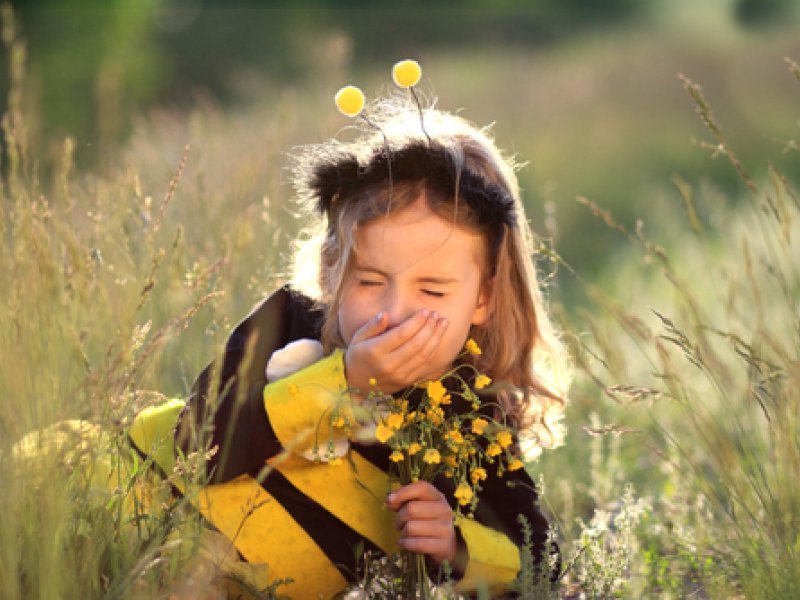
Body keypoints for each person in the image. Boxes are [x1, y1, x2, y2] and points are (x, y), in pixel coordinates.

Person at [128, 93, 569, 598]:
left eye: (432, 290)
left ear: (482, 298)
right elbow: (195, 445)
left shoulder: (472, 416)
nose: (394, 312)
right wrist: (344, 382)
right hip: (133, 504)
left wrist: (455, 544)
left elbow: (541, 561)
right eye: (370, 281)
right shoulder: (289, 322)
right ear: (331, 270)